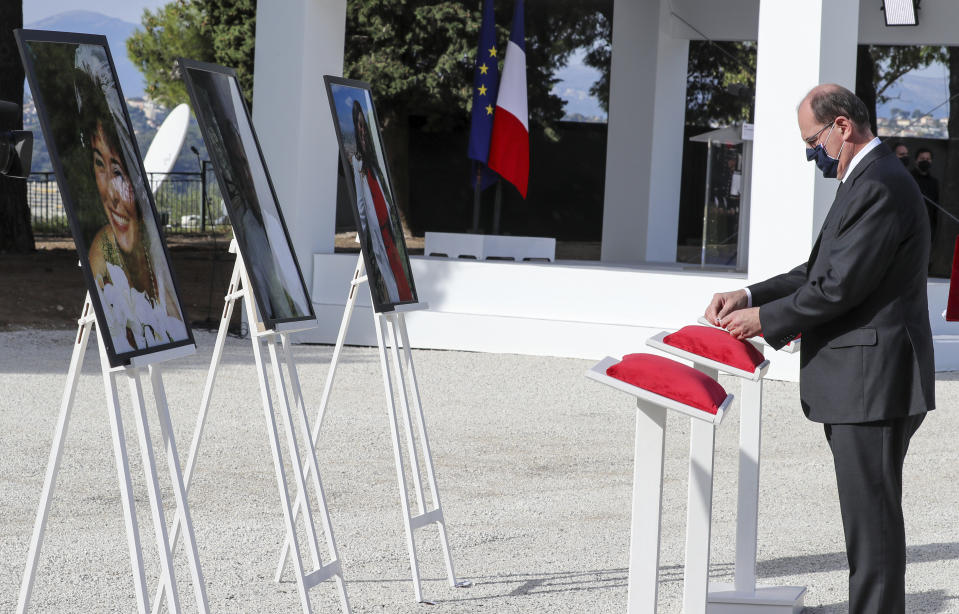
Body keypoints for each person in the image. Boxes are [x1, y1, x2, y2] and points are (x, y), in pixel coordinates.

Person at [705, 84, 934, 614]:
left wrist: (761, 320)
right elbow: (816, 272)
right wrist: (748, 294)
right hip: (866, 378)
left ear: (842, 127)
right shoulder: (864, 179)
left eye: (814, 141)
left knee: (871, 526)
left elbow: (839, 287)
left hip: (873, 379)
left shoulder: (878, 183)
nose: (812, 153)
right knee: (868, 521)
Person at [75, 62, 187, 352]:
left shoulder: (153, 254)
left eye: (118, 171)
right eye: (99, 163)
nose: (112, 196)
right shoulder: (103, 252)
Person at [349, 100, 414, 305]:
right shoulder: (357, 161)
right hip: (376, 229)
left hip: (388, 226)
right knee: (387, 273)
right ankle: (394, 301)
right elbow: (361, 202)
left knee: (398, 271)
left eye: (364, 125)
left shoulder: (374, 160)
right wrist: (364, 230)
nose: (362, 130)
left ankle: (402, 300)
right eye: (358, 125)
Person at [911, 147, 940, 248]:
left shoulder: (934, 183)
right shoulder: (909, 178)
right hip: (910, 226)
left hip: (927, 228)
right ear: (916, 161)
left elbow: (935, 209)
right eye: (922, 159)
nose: (925, 161)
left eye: (928, 159)